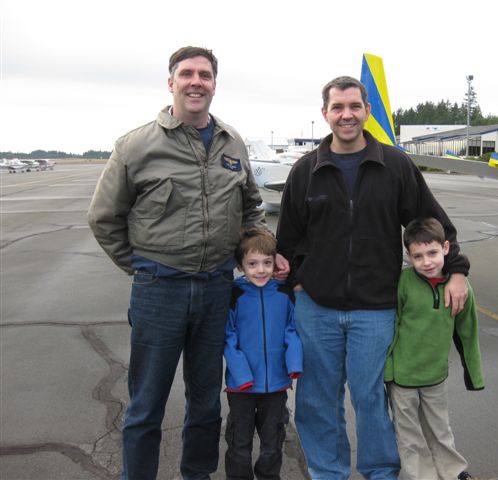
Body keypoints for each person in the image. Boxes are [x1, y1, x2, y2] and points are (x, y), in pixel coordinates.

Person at [87, 46, 287, 480]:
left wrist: (261, 250)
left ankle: (197, 474)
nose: (196, 81)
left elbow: (252, 206)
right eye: (187, 74)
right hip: (160, 291)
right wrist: (141, 267)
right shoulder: (136, 145)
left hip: (217, 290)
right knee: (146, 405)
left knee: (205, 403)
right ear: (171, 82)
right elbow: (103, 217)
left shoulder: (231, 141)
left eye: (205, 75)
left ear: (214, 84)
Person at [276, 76, 470, 480]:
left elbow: (432, 222)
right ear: (325, 113)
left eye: (354, 106)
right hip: (317, 308)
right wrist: (296, 282)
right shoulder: (305, 171)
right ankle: (328, 472)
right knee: (316, 399)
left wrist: (457, 271)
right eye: (337, 107)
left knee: (371, 399)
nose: (346, 114)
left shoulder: (395, 166)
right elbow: (288, 239)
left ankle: (380, 471)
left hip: (376, 308)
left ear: (366, 110)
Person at [384, 218, 484, 480]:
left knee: (440, 429)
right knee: (409, 436)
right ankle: (421, 476)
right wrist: (387, 371)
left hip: (435, 376)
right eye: (418, 256)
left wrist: (474, 375)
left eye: (432, 253)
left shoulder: (460, 288)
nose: (427, 262)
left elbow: (468, 332)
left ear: (446, 248)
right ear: (409, 256)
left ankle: (452, 471)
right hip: (402, 378)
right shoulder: (403, 283)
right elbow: (391, 328)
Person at [223, 227, 303, 479]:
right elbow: (228, 337)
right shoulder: (234, 294)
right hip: (242, 388)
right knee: (240, 445)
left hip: (276, 386)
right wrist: (241, 374)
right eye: (253, 263)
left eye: (267, 263)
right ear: (240, 265)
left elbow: (292, 329)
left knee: (272, 445)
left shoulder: (283, 293)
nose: (261, 270)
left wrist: (293, 364)